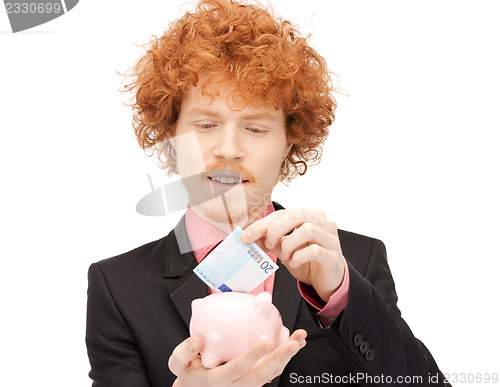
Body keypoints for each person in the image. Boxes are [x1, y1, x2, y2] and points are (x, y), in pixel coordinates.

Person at [85, 0, 450, 386]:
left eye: (256, 129)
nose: (227, 149)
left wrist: (340, 296)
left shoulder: (356, 260)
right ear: (171, 138)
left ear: (289, 144)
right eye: (206, 125)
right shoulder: (118, 286)